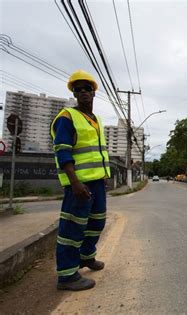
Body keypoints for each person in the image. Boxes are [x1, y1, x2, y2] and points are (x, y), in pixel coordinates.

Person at [50, 69, 110, 291]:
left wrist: (103, 177)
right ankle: (66, 276)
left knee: (96, 224)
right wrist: (74, 182)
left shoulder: (96, 120)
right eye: (78, 89)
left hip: (97, 184)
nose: (83, 92)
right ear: (74, 93)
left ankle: (86, 257)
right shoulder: (67, 117)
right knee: (72, 229)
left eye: (88, 88)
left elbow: (97, 153)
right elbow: (63, 151)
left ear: (94, 93)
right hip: (79, 185)